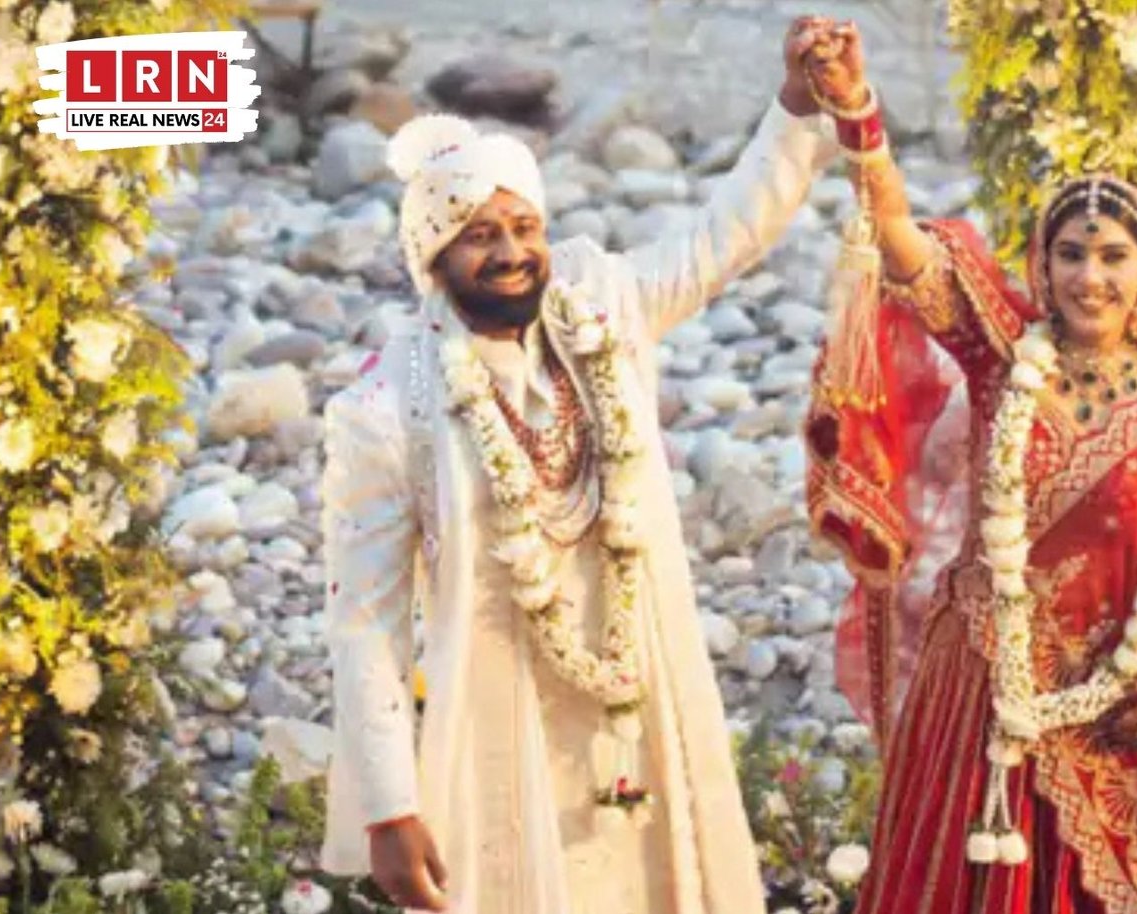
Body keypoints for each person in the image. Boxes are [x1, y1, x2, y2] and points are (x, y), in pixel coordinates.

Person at [318, 19, 845, 913]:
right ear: (434, 258)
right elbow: (365, 621)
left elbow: (722, 238)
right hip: (500, 714)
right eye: (478, 234)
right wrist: (389, 808)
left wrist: (795, 107)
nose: (510, 251)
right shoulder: (383, 405)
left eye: (524, 226)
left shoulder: (602, 307)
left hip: (643, 686)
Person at [798, 22, 1137, 914]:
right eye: (1070, 254)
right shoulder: (1003, 352)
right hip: (984, 701)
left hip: (1124, 714)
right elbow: (896, 235)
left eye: (1114, 256)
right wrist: (856, 113)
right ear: (1043, 262)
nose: (1089, 278)